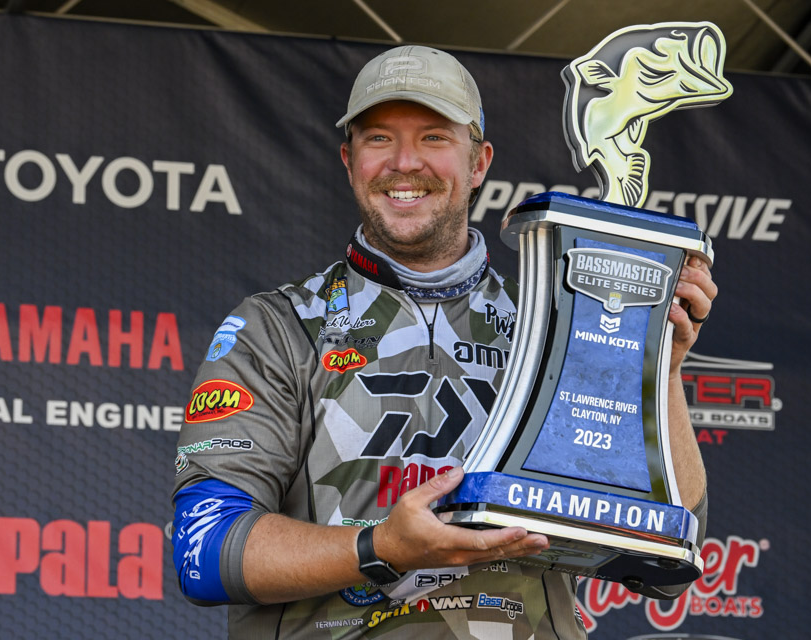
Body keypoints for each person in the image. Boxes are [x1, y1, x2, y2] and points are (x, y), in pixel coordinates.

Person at [172, 45, 715, 639]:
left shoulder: (559, 328)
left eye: (434, 137)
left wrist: (657, 371)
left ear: (479, 162)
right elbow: (205, 551)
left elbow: (665, 564)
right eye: (379, 139)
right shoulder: (277, 327)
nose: (405, 162)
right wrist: (381, 548)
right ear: (349, 161)